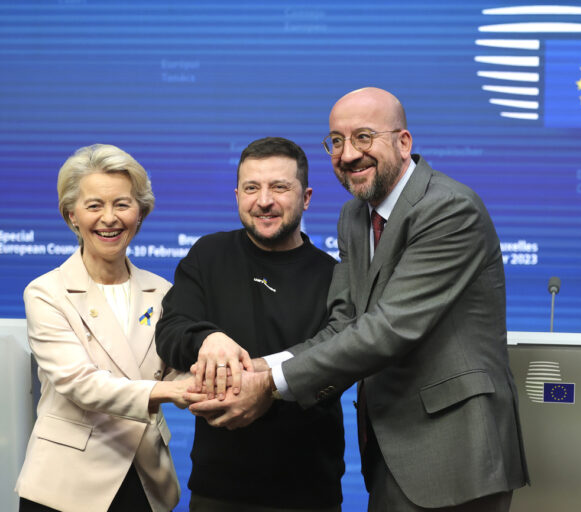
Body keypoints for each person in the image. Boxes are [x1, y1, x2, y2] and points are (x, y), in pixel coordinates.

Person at [189, 88, 529, 511]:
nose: (348, 154)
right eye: (336, 141)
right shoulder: (355, 216)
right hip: (390, 448)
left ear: (403, 142)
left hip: (456, 450)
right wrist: (255, 368)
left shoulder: (449, 209)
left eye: (364, 137)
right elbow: (344, 323)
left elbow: (389, 328)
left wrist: (271, 386)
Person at [155, 137, 345, 512]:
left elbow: (337, 366)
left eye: (279, 187)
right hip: (218, 489)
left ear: (306, 197)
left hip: (308, 491)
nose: (264, 201)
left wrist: (267, 390)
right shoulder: (208, 254)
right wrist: (207, 339)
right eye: (251, 188)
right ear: (237, 195)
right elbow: (171, 330)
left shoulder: (334, 276)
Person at [16, 144, 198, 512]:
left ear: (140, 213)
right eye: (94, 205)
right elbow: (80, 383)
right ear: (72, 217)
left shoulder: (162, 292)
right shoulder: (46, 292)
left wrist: (214, 382)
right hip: (66, 485)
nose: (109, 218)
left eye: (123, 204)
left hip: (146, 478)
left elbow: (177, 370)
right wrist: (169, 391)